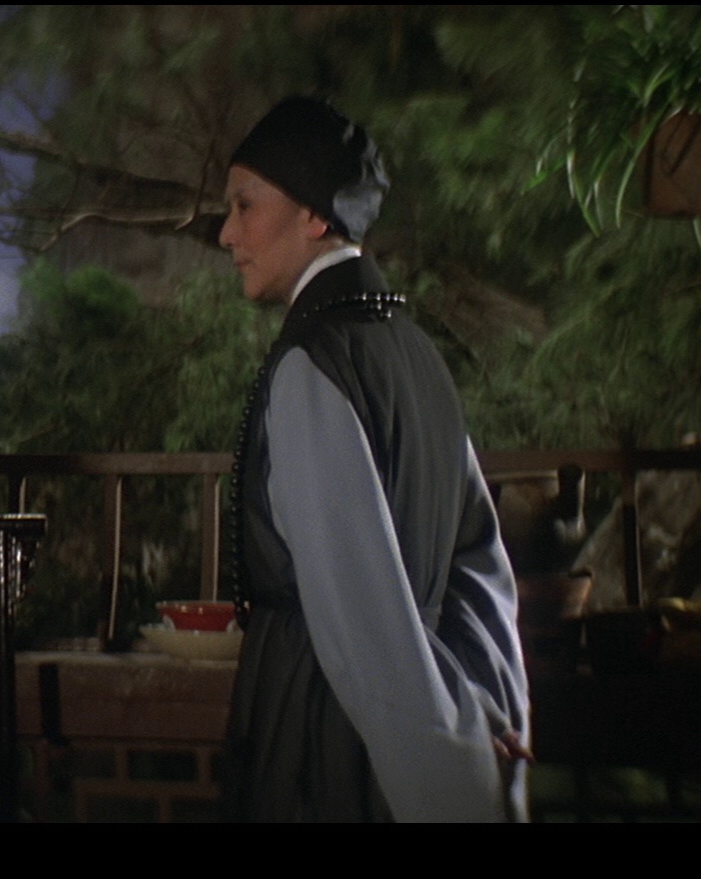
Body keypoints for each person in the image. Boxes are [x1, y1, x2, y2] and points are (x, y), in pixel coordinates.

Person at [218, 96, 531, 822]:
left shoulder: (313, 363)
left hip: (327, 740)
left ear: (314, 216)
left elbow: (360, 621)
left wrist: (452, 784)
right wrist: (488, 718)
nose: (227, 232)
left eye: (245, 205)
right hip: (424, 726)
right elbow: (480, 573)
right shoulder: (417, 354)